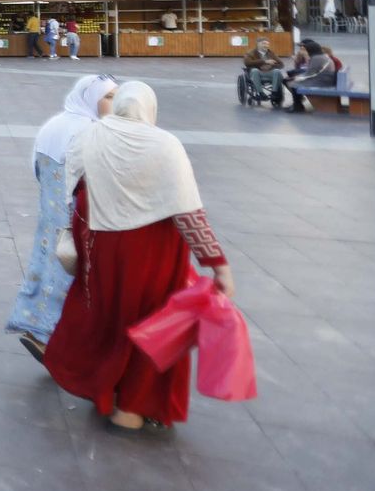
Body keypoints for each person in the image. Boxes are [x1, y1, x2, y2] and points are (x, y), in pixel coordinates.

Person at [45, 82, 235, 431]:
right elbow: (188, 212)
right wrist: (217, 264)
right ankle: (132, 407)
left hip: (103, 248)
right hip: (154, 253)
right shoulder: (164, 145)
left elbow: (76, 192)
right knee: (151, 324)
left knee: (109, 318)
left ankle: (107, 391)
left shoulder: (90, 137)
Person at [5, 74, 118, 361]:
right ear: (91, 99)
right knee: (75, 279)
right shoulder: (92, 132)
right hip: (78, 218)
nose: (114, 103)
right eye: (108, 97)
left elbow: (36, 168)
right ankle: (55, 340)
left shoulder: (53, 125)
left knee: (45, 268)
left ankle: (35, 326)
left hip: (49, 216)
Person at [284, 39, 336, 113]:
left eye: (307, 50)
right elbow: (311, 72)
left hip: (323, 80)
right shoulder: (320, 56)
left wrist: (296, 77)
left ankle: (297, 106)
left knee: (294, 84)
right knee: (294, 81)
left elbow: (310, 73)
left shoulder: (316, 58)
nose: (306, 51)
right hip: (326, 78)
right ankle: (297, 104)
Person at [243, 39, 288, 107]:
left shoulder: (271, 53)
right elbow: (247, 63)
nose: (266, 46)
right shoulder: (251, 53)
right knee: (255, 71)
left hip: (269, 73)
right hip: (257, 74)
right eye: (264, 43)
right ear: (258, 44)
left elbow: (281, 64)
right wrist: (264, 61)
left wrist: (272, 66)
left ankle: (274, 93)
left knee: (277, 71)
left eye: (267, 44)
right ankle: (260, 93)